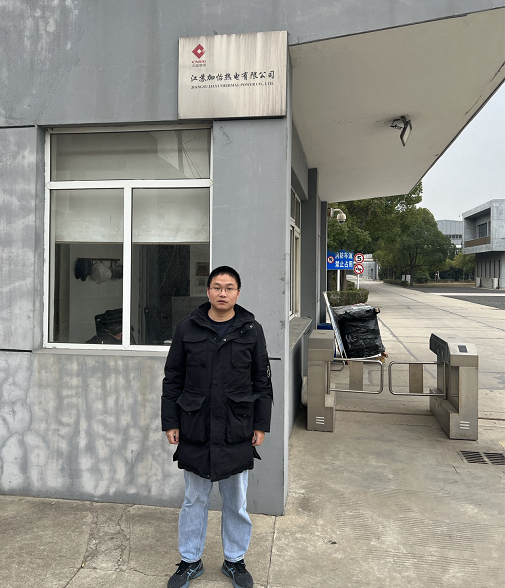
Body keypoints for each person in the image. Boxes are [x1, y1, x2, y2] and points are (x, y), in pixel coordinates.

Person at [161, 266, 273, 588]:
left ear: (238, 293)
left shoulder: (251, 330)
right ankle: (190, 560)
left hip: (237, 428)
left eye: (229, 287)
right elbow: (173, 378)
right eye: (217, 287)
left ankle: (234, 560)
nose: (223, 293)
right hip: (196, 428)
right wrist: (171, 421)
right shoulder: (187, 328)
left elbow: (262, 381)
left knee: (236, 501)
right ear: (208, 291)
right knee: (194, 499)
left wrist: (261, 424)